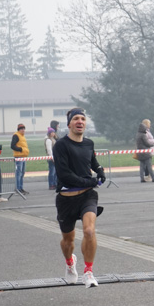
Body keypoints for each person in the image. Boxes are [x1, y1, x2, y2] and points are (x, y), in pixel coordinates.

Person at [52, 108, 106, 288]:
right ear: (69, 123)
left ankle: (88, 272)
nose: (80, 121)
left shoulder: (89, 143)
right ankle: (69, 262)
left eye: (83, 118)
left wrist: (99, 171)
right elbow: (64, 174)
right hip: (66, 198)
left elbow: (92, 161)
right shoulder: (60, 145)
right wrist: (88, 181)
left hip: (87, 196)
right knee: (68, 241)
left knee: (89, 231)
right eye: (76, 118)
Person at [11, 123, 29, 195]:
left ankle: (20, 188)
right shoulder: (16, 135)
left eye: (24, 129)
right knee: (18, 173)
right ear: (19, 130)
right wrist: (21, 149)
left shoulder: (23, 136)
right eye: (21, 129)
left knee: (22, 173)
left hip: (23, 156)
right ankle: (17, 189)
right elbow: (12, 146)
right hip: (18, 157)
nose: (23, 130)